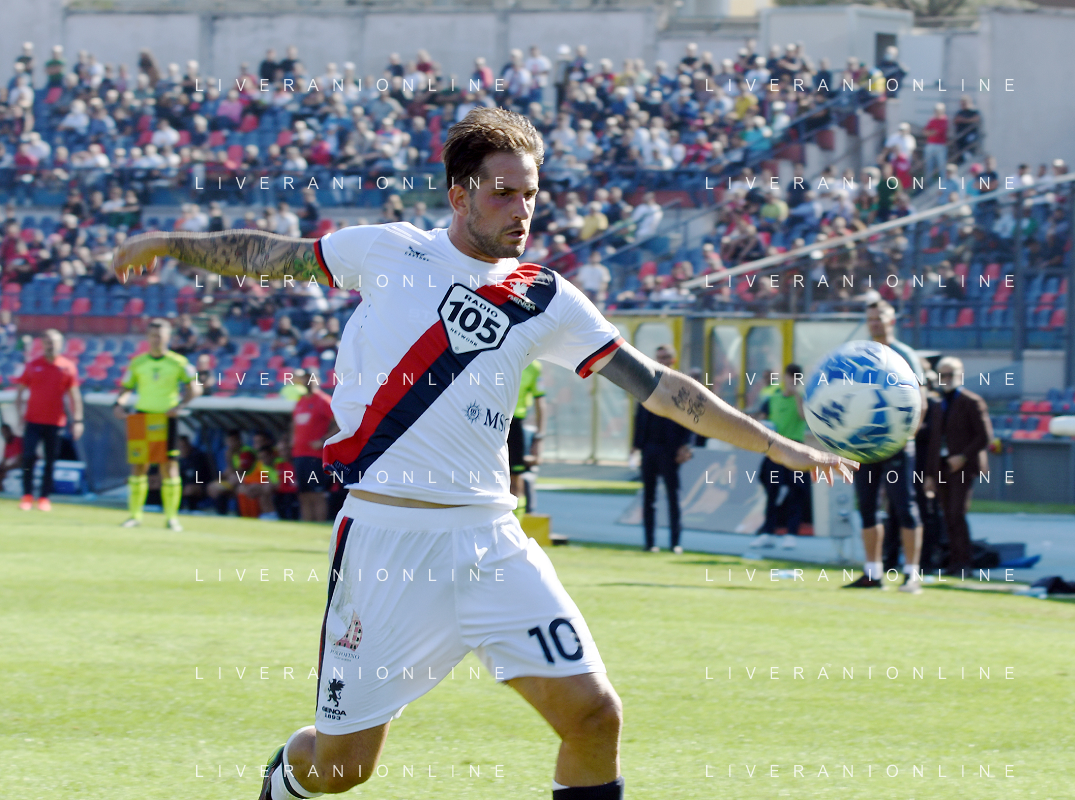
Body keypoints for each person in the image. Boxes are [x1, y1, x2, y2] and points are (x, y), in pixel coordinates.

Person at [112, 105, 856, 800]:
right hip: (387, 541)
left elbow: (659, 387)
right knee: (342, 768)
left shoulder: (546, 297)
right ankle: (285, 780)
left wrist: (776, 445)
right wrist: (172, 244)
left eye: (530, 194)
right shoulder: (388, 249)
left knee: (594, 715)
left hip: (491, 540)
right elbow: (273, 257)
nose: (522, 209)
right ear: (459, 194)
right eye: (504, 193)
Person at [845, 300, 927, 592]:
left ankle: (912, 574)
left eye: (879, 317)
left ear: (892, 320)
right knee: (867, 507)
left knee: (905, 507)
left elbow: (921, 400)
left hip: (896, 443)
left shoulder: (904, 355)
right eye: (870, 318)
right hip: (866, 443)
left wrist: (907, 436)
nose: (875, 323)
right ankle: (873, 572)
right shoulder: (861, 355)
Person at [112, 319, 197, 531]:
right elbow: (126, 388)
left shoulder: (179, 362)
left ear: (168, 337)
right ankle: (135, 516)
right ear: (147, 337)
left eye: (160, 336)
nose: (156, 339)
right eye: (152, 335)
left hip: (166, 418)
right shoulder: (137, 363)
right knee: (139, 466)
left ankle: (172, 518)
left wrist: (181, 405)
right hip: (142, 417)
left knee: (169, 467)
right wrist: (119, 404)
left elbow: (195, 388)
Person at [922, 356, 993, 575]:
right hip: (942, 466)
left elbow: (984, 436)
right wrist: (930, 473)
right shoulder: (937, 404)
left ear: (960, 375)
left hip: (963, 467)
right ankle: (953, 561)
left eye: (950, 374)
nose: (946, 378)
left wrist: (963, 456)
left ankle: (964, 562)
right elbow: (934, 441)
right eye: (942, 374)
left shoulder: (971, 401)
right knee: (946, 515)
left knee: (956, 513)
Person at [631, 345, 694, 553]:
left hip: (670, 449)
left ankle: (675, 542)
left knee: (673, 497)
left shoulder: (680, 385)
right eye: (659, 357)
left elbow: (690, 417)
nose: (662, 361)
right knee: (649, 498)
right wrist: (636, 445)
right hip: (649, 448)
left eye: (665, 357)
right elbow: (640, 417)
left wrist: (685, 445)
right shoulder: (646, 382)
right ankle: (650, 543)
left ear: (673, 360)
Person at [13, 329, 83, 511]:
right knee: (28, 457)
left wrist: (77, 420)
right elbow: (19, 392)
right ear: (42, 344)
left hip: (55, 422)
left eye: (54, 342)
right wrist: (20, 414)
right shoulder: (32, 365)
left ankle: (44, 497)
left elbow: (74, 395)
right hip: (33, 420)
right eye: (47, 342)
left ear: (61, 344)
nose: (50, 345)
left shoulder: (67, 367)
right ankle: (27, 495)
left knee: (50, 461)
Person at [751, 363, 812, 549]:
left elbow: (803, 417)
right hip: (776, 449)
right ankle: (768, 532)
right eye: (790, 376)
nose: (792, 380)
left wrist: (796, 395)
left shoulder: (802, 399)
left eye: (796, 378)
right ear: (784, 377)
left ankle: (791, 534)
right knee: (772, 490)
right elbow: (760, 419)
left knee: (796, 492)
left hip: (795, 449)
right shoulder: (772, 398)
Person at [291, 368, 337, 522]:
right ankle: (307, 525)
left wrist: (323, 440)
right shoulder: (301, 401)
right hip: (299, 454)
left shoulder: (323, 400)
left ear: (316, 379)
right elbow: (294, 424)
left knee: (317, 493)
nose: (305, 381)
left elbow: (339, 423)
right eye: (303, 378)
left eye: (308, 377)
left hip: (315, 456)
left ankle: (319, 524)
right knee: (303, 494)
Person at [509, 360, 547, 513]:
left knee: (515, 479)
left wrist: (539, 439)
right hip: (490, 422)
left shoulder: (534, 366)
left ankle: (517, 522)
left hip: (515, 425)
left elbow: (540, 403)